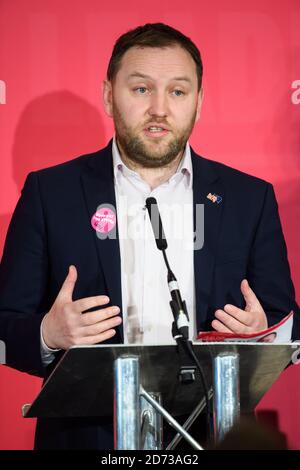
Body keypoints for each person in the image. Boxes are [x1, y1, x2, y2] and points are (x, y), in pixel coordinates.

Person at [0, 23, 299, 450]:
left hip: (212, 436)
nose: (159, 108)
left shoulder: (248, 198)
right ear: (109, 95)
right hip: (88, 440)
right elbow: (5, 322)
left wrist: (264, 333)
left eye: (178, 92)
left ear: (199, 102)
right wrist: (48, 334)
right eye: (141, 89)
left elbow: (289, 321)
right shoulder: (51, 193)